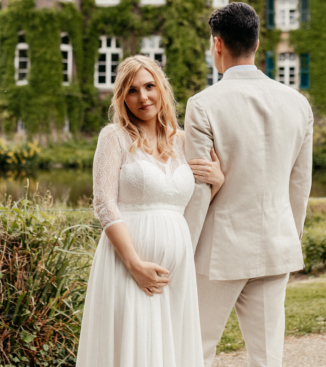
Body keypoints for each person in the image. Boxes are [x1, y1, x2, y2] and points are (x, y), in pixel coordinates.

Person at [184, 2, 314, 367]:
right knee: (268, 357)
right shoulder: (298, 104)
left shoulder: (203, 104)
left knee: (196, 348)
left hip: (217, 252)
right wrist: (290, 235)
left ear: (217, 45)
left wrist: (182, 248)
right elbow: (299, 184)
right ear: (257, 43)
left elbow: (199, 189)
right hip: (276, 245)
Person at [76, 55, 223, 367]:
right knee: (133, 351)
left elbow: (196, 201)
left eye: (149, 86)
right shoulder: (114, 137)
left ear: (162, 89)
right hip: (127, 264)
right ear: (122, 98)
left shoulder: (185, 142)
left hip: (176, 269)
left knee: (171, 351)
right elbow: (103, 203)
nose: (142, 97)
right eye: (132, 90)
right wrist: (134, 263)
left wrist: (218, 181)